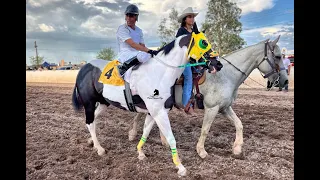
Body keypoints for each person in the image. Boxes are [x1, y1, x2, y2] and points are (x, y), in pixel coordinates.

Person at [175, 7, 217, 115]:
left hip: (194, 59)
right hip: (183, 59)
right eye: (189, 16)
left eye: (193, 16)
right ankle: (186, 106)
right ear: (185, 19)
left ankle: (198, 100)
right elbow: (178, 46)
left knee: (201, 73)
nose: (192, 18)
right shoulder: (181, 31)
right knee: (188, 77)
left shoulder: (194, 31)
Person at [116, 4, 157, 76]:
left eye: (131, 16)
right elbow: (132, 44)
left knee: (150, 56)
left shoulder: (139, 30)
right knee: (143, 56)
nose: (128, 18)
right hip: (125, 54)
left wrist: (151, 52)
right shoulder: (122, 28)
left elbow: (142, 46)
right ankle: (123, 68)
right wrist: (149, 51)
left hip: (136, 54)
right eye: (127, 15)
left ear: (136, 17)